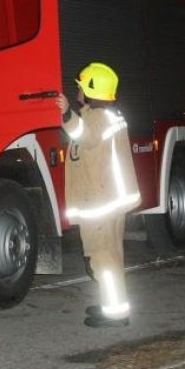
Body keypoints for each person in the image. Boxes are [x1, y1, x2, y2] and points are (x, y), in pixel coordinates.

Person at [56, 62, 140, 328]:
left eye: (81, 86)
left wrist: (67, 112)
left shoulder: (97, 118)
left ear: (91, 89)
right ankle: (112, 306)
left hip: (100, 203)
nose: (78, 90)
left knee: (102, 258)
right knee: (111, 255)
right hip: (110, 201)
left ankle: (115, 313)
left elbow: (86, 136)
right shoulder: (111, 115)